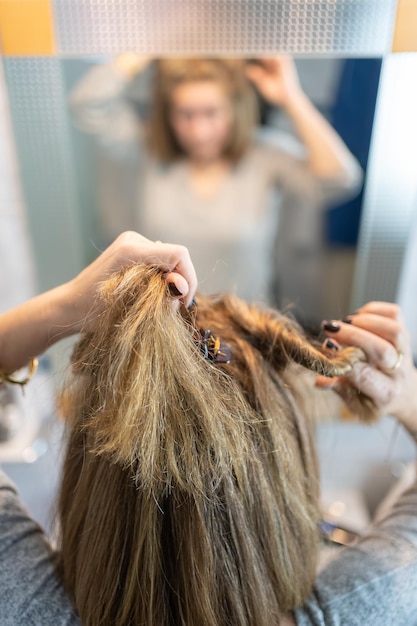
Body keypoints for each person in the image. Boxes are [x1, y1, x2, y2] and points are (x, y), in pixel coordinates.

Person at [0, 232, 416, 625]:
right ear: (284, 483)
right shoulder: (372, 601)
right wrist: (407, 397)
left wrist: (60, 310)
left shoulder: (25, 602)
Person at [70, 56, 362, 306]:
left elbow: (341, 180)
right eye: (185, 114)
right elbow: (88, 103)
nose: (199, 131)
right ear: (168, 114)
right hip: (167, 327)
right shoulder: (151, 150)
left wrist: (291, 96)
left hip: (246, 329)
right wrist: (142, 50)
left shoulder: (264, 155)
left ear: (234, 109)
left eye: (211, 113)